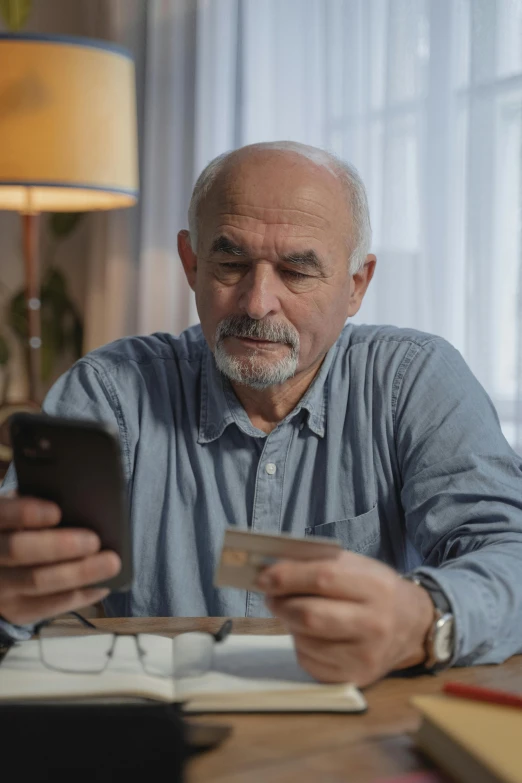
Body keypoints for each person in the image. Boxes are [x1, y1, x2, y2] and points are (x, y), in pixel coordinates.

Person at [0, 141, 521, 686]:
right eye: (231, 264)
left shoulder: (412, 379)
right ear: (191, 263)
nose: (256, 303)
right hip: (162, 729)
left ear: (356, 285)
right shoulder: (111, 392)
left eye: (297, 272)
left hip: (364, 730)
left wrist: (425, 619)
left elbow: (511, 551)